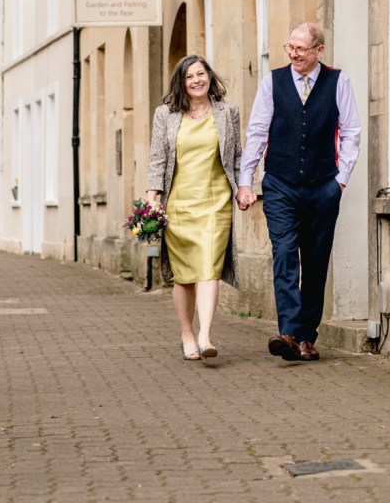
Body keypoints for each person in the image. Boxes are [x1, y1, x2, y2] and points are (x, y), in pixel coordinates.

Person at [236, 23, 361, 362]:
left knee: (316, 261)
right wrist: (246, 181)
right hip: (280, 184)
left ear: (319, 51)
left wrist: (341, 180)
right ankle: (289, 332)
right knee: (285, 252)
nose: (293, 54)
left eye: (300, 49)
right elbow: (257, 132)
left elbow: (351, 132)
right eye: (289, 47)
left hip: (323, 186)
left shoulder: (339, 82)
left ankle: (307, 336)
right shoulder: (272, 83)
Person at [145, 54, 241, 362]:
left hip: (216, 202)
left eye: (201, 74)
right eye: (190, 77)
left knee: (209, 267)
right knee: (185, 275)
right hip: (179, 203)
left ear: (210, 77)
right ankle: (187, 332)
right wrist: (152, 197)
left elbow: (237, 156)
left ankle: (205, 334)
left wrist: (245, 187)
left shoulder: (228, 113)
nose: (196, 80)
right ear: (182, 83)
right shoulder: (166, 115)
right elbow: (158, 157)